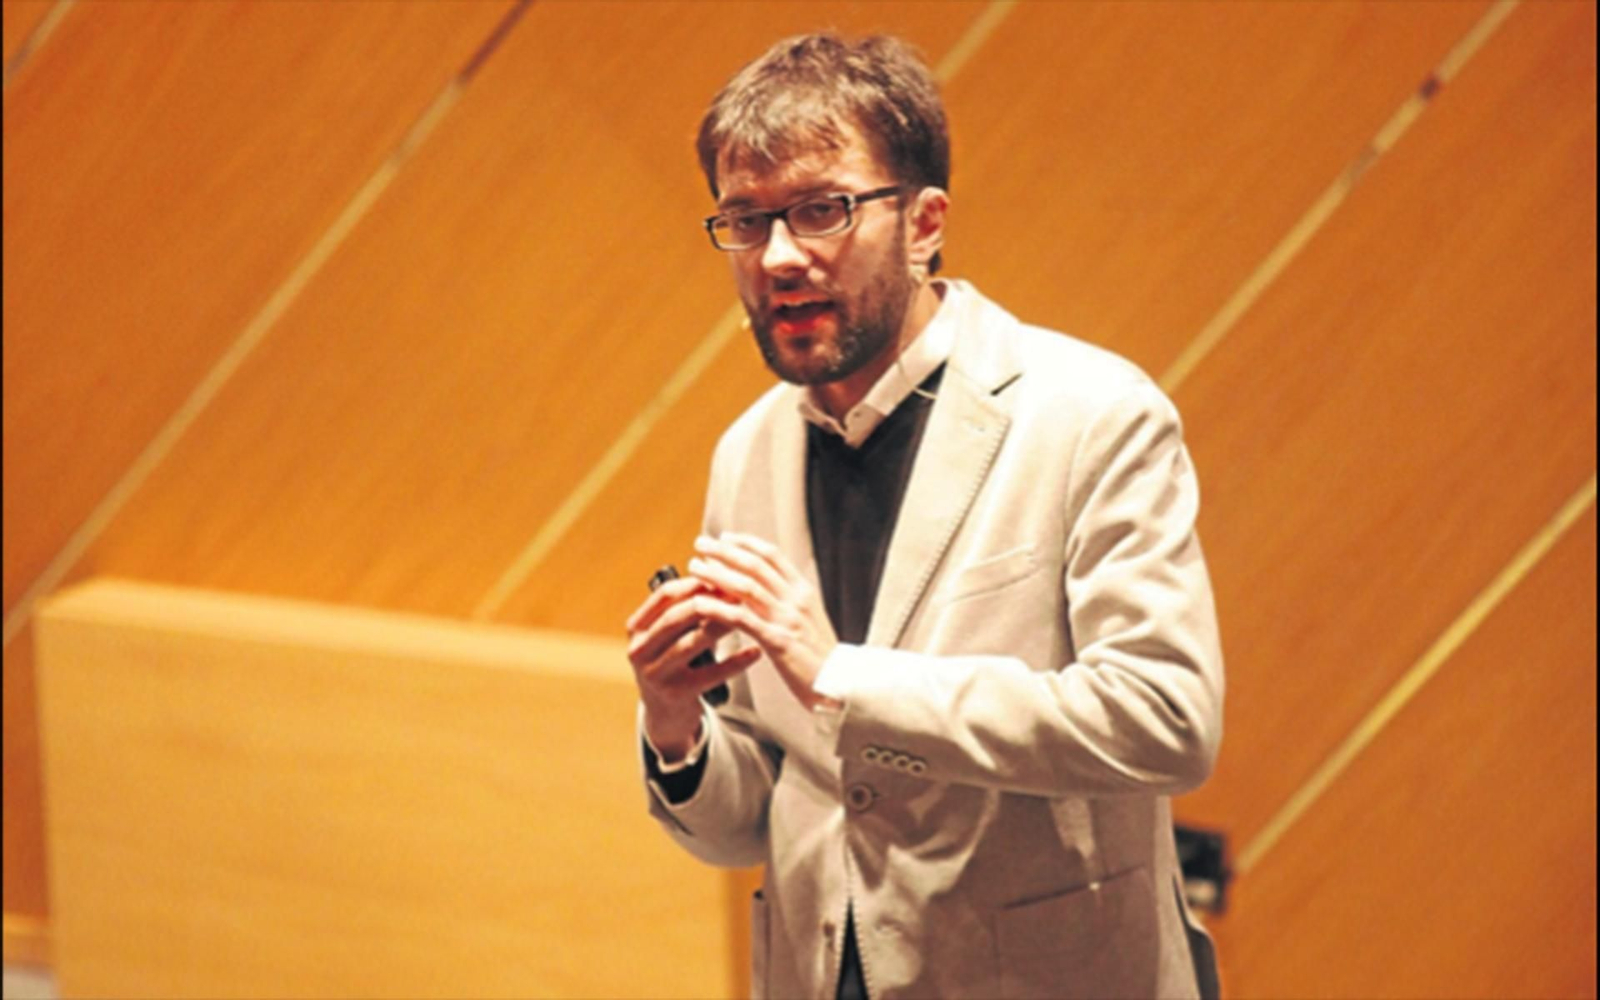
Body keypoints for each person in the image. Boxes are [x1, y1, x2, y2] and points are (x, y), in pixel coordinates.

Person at [624, 32, 1224, 1000]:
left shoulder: (1090, 413)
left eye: (821, 210)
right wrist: (675, 723)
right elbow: (757, 817)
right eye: (745, 220)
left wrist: (843, 678)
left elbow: (1165, 721)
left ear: (925, 221)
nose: (777, 257)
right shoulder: (747, 450)